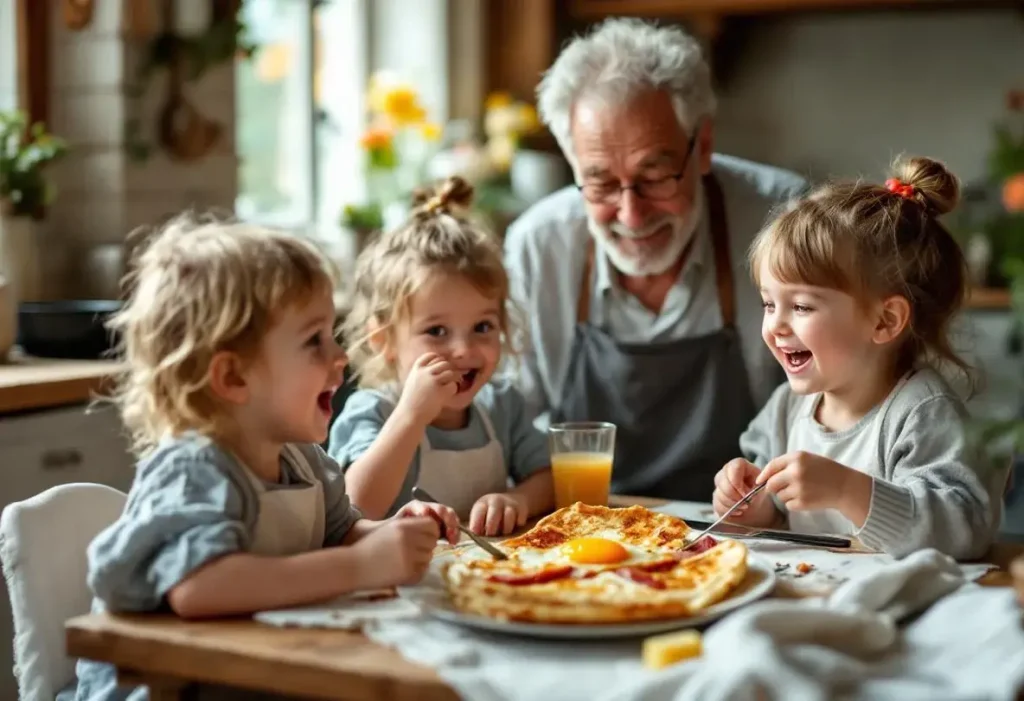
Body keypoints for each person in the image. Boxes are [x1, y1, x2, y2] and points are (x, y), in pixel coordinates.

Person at [69, 215, 460, 701]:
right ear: (233, 377)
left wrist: (395, 532)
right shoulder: (195, 469)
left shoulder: (302, 457)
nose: (340, 356)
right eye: (313, 339)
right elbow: (200, 587)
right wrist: (362, 566)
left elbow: (339, 535)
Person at [504, 18, 808, 502]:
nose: (631, 212)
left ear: (702, 146)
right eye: (600, 182)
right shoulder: (539, 244)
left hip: (747, 523)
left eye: (655, 176)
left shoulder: (785, 220)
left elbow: (828, 409)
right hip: (583, 524)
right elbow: (511, 421)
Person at [711, 156, 1005, 560]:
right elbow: (776, 518)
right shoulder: (786, 409)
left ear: (885, 321)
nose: (775, 326)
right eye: (767, 304)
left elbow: (964, 531)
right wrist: (752, 504)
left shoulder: (920, 413)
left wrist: (848, 489)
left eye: (800, 307)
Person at [329, 177, 555, 536]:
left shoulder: (502, 406)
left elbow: (550, 476)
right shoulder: (373, 411)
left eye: (482, 327)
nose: (464, 350)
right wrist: (412, 415)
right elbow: (354, 507)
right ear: (383, 338)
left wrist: (517, 500)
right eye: (436, 332)